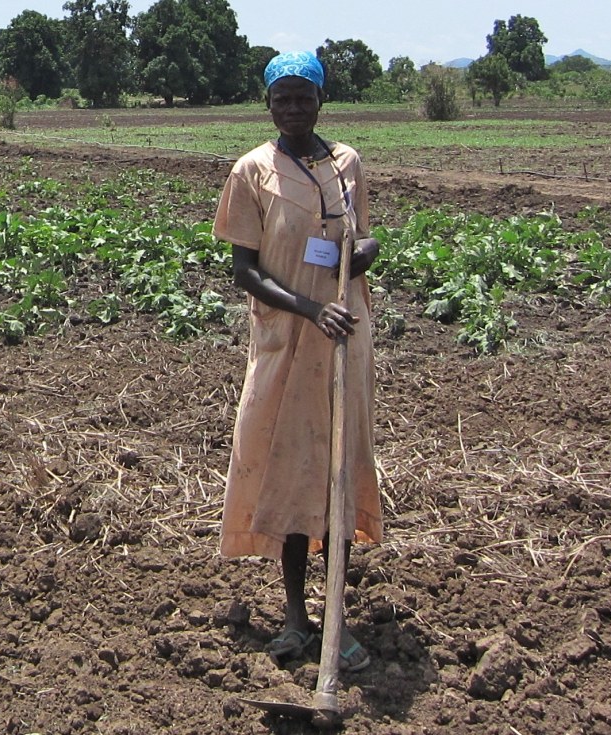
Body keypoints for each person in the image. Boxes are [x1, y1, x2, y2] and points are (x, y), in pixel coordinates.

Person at [212, 51, 382, 674]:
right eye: (280, 99)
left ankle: (335, 616)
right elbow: (245, 270)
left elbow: (360, 233)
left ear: (320, 101)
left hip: (342, 342)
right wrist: (311, 308)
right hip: (287, 341)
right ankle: (294, 616)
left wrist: (364, 250)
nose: (291, 108)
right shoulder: (253, 171)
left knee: (336, 473)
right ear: (267, 105)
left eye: (301, 97)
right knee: (288, 471)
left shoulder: (346, 165)